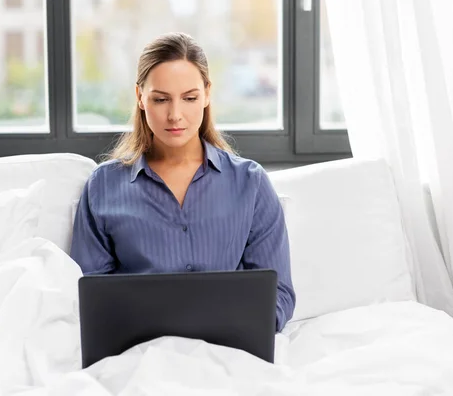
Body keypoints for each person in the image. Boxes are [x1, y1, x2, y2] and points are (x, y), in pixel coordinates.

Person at [70, 32, 295, 332]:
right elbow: (89, 296)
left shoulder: (250, 184)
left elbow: (279, 294)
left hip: (229, 351)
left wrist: (241, 325)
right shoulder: (103, 187)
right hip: (140, 355)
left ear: (206, 94)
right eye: (160, 99)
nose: (175, 115)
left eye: (189, 98)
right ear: (139, 97)